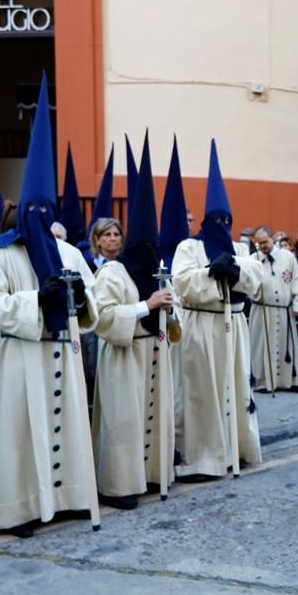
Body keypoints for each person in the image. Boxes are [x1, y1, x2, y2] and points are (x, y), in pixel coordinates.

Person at [0, 76, 100, 538]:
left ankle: (67, 497)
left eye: (49, 212)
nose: (43, 220)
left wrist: (79, 299)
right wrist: (36, 300)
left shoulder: (68, 253)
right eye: (36, 212)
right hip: (22, 353)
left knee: (66, 426)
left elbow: (92, 303)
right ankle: (20, 508)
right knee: (18, 434)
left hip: (62, 351)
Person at [173, 141, 264, 476]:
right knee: (201, 392)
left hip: (234, 325)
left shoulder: (241, 247)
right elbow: (182, 283)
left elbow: (256, 277)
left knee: (236, 385)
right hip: (202, 328)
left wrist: (235, 271)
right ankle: (202, 458)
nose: (221, 224)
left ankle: (235, 448)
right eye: (216, 219)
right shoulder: (190, 246)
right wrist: (210, 273)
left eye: (226, 219)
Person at [91, 152, 175, 510]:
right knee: (124, 420)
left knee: (152, 414)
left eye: (117, 234)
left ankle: (152, 474)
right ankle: (118, 484)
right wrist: (148, 305)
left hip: (153, 351)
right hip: (124, 355)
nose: (113, 239)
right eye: (106, 234)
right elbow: (104, 317)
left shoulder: (155, 273)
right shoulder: (112, 273)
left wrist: (171, 311)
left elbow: (173, 313)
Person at [249, 225, 298, 393]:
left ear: (272, 239)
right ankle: (262, 381)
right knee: (260, 347)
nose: (263, 246)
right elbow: (248, 283)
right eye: (259, 243)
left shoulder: (288, 257)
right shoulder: (254, 259)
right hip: (262, 309)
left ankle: (289, 381)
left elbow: (296, 280)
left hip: (284, 311)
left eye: (265, 242)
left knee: (286, 346)